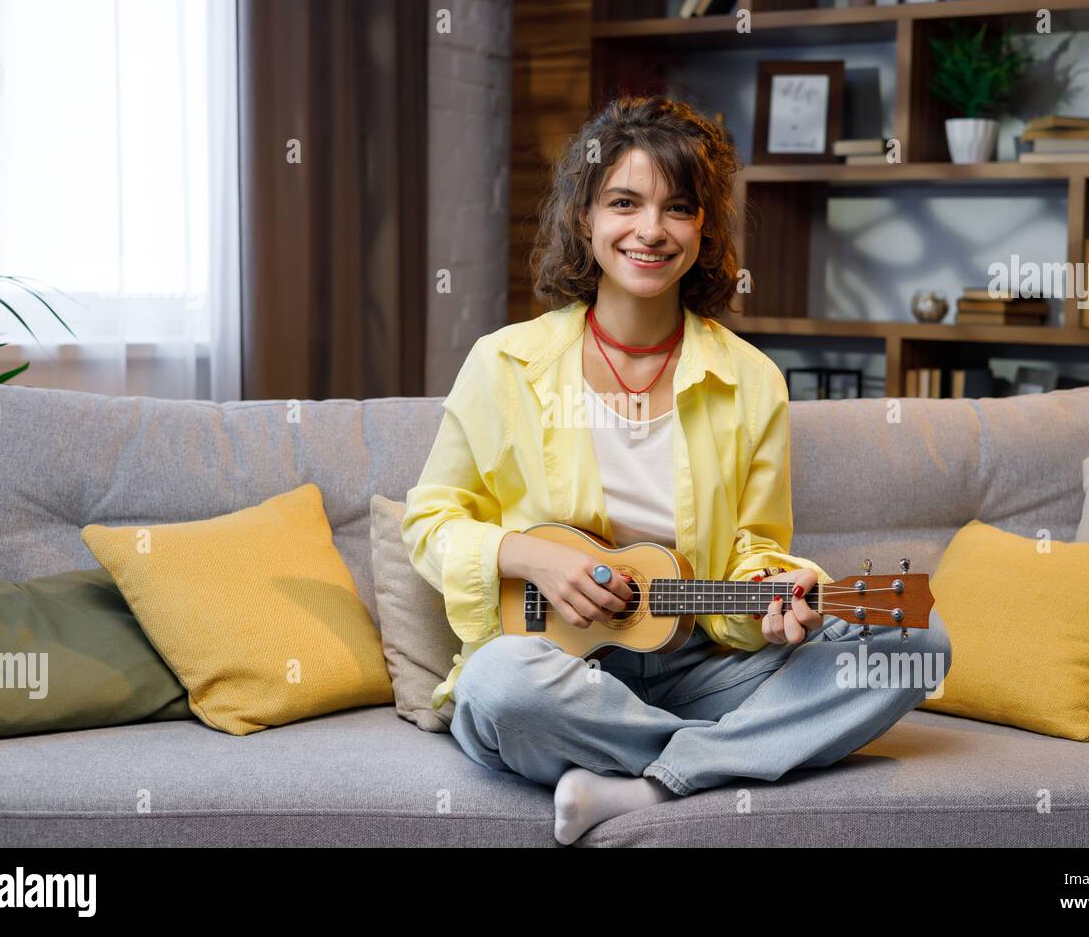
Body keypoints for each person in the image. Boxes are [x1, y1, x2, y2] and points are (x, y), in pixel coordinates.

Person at [401, 95, 951, 845]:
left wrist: (770, 592)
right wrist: (528, 554)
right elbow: (430, 522)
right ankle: (740, 753)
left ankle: (652, 785)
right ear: (585, 218)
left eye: (679, 208)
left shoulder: (751, 380)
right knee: (501, 688)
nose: (651, 231)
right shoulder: (504, 363)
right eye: (624, 202)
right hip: (555, 669)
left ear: (704, 229)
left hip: (704, 664)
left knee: (918, 639)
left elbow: (757, 546)